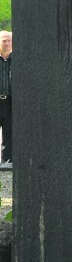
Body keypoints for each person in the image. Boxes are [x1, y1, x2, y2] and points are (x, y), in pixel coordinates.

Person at [0, 31, 11, 169]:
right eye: (4, 41)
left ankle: (7, 162)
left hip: (10, 102)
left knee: (9, 133)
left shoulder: (18, 60)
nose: (7, 43)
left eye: (9, 40)